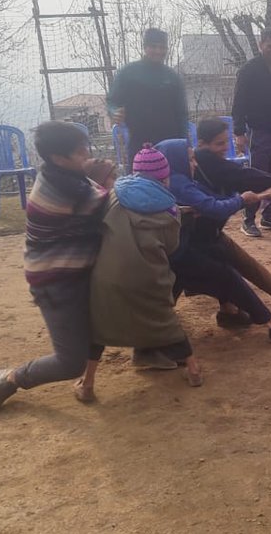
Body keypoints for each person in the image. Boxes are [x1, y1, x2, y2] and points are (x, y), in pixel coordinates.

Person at [0, 122, 109, 412]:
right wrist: (112, 180)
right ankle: (12, 377)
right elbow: (110, 203)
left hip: (74, 274)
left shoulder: (69, 176)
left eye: (85, 147)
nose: (86, 154)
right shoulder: (64, 188)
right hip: (55, 283)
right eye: (80, 151)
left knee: (98, 326)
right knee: (69, 362)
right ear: (58, 157)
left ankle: (87, 384)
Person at [155, 133, 271, 343]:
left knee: (215, 272)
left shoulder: (178, 178)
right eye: (219, 143)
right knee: (223, 274)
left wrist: (263, 195)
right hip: (182, 249)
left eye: (226, 142)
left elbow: (210, 198)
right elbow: (215, 205)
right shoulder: (181, 181)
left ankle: (234, 312)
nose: (225, 147)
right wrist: (251, 196)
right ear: (203, 144)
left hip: (188, 245)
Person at [83, 144, 204, 391]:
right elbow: (171, 246)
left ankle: (87, 383)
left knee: (99, 327)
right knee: (167, 323)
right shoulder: (169, 209)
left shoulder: (113, 195)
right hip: (150, 278)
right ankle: (193, 371)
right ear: (165, 177)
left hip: (108, 278)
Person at [230, 28, 271, 237]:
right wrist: (239, 132)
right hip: (258, 132)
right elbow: (238, 103)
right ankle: (248, 220)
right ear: (261, 45)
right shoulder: (249, 70)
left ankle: (268, 216)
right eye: (270, 46)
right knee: (257, 176)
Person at [106, 28, 188, 154]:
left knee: (174, 173)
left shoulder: (172, 77)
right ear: (145, 47)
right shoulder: (128, 73)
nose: (158, 51)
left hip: (171, 141)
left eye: (162, 47)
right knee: (141, 173)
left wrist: (186, 144)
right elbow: (112, 101)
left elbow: (182, 114)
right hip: (140, 142)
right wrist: (114, 112)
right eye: (153, 46)